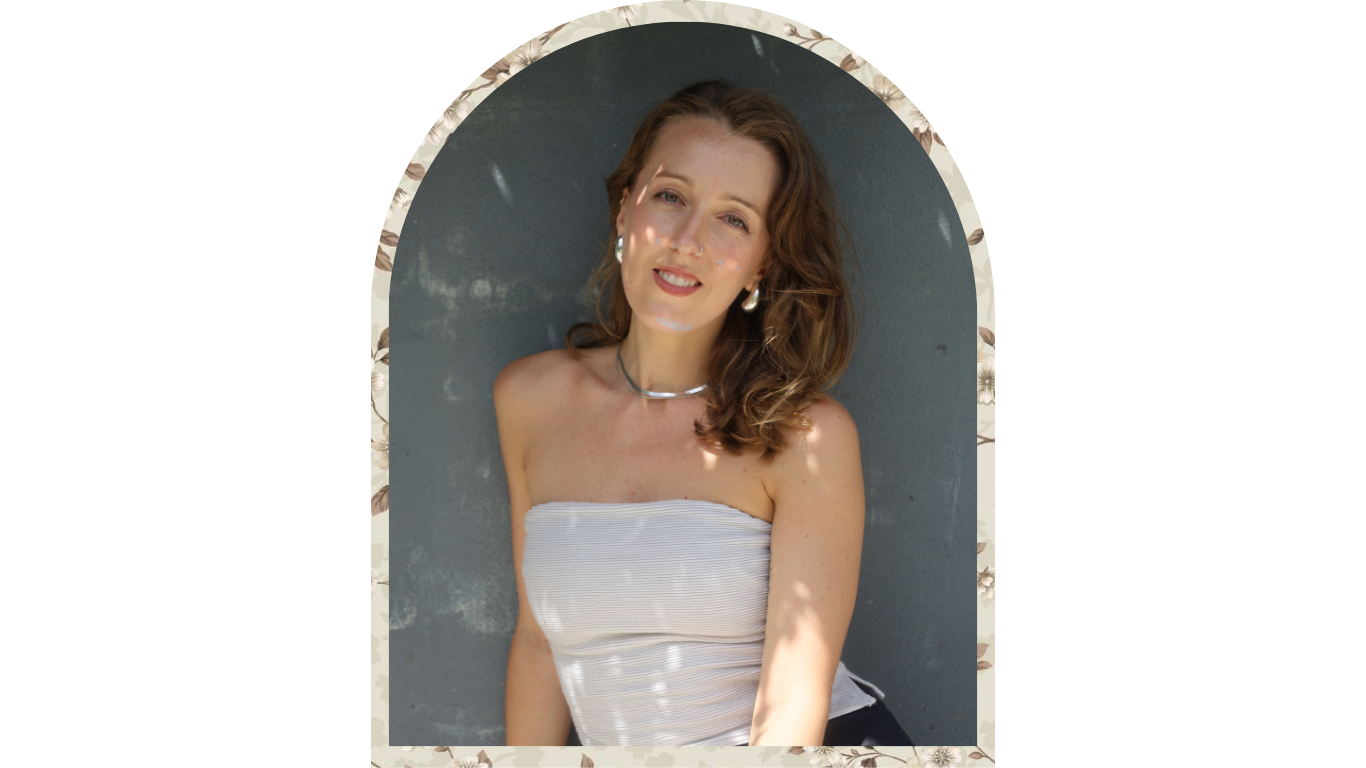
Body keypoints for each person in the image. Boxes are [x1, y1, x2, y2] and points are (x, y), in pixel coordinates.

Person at [494, 80, 912, 747]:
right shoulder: (529, 400)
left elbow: (792, 710)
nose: (689, 239)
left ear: (761, 264)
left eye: (734, 219)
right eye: (670, 196)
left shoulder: (805, 437)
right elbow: (540, 648)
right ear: (624, 206)